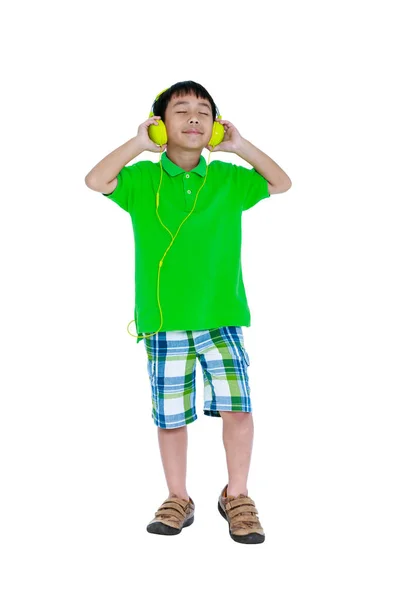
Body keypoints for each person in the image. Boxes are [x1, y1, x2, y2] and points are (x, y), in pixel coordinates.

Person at [85, 81, 292, 544]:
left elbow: (281, 182)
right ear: (161, 125)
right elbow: (96, 181)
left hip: (221, 317)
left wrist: (240, 147)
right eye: (182, 110)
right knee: (170, 417)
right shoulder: (141, 180)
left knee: (238, 410)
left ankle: (236, 495)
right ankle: (177, 496)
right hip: (165, 322)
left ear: (216, 127)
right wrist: (139, 143)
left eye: (205, 111)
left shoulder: (228, 179)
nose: (195, 118)